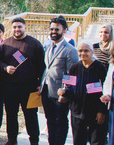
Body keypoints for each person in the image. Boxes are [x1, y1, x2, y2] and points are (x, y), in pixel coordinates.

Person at [0, 17, 45, 145]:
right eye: (15, 27)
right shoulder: (5, 44)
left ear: (25, 28)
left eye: (19, 27)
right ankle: (12, 140)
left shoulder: (35, 44)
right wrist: (5, 68)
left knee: (31, 116)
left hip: (30, 86)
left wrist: (40, 84)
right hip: (9, 86)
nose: (17, 29)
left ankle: (34, 140)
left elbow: (42, 67)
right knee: (11, 115)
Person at [57, 41, 108, 145]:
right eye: (80, 51)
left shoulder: (100, 68)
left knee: (97, 141)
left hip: (95, 112)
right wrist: (63, 93)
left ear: (92, 52)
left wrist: (101, 111)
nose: (83, 53)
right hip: (77, 112)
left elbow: (105, 91)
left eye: (86, 51)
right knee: (78, 141)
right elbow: (69, 88)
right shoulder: (74, 67)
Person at [39, 16, 79, 145]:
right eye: (51, 29)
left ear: (64, 30)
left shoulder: (70, 50)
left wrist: (66, 92)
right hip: (46, 90)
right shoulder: (49, 46)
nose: (53, 31)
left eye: (57, 29)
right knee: (50, 120)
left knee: (60, 121)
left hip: (60, 92)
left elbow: (71, 74)